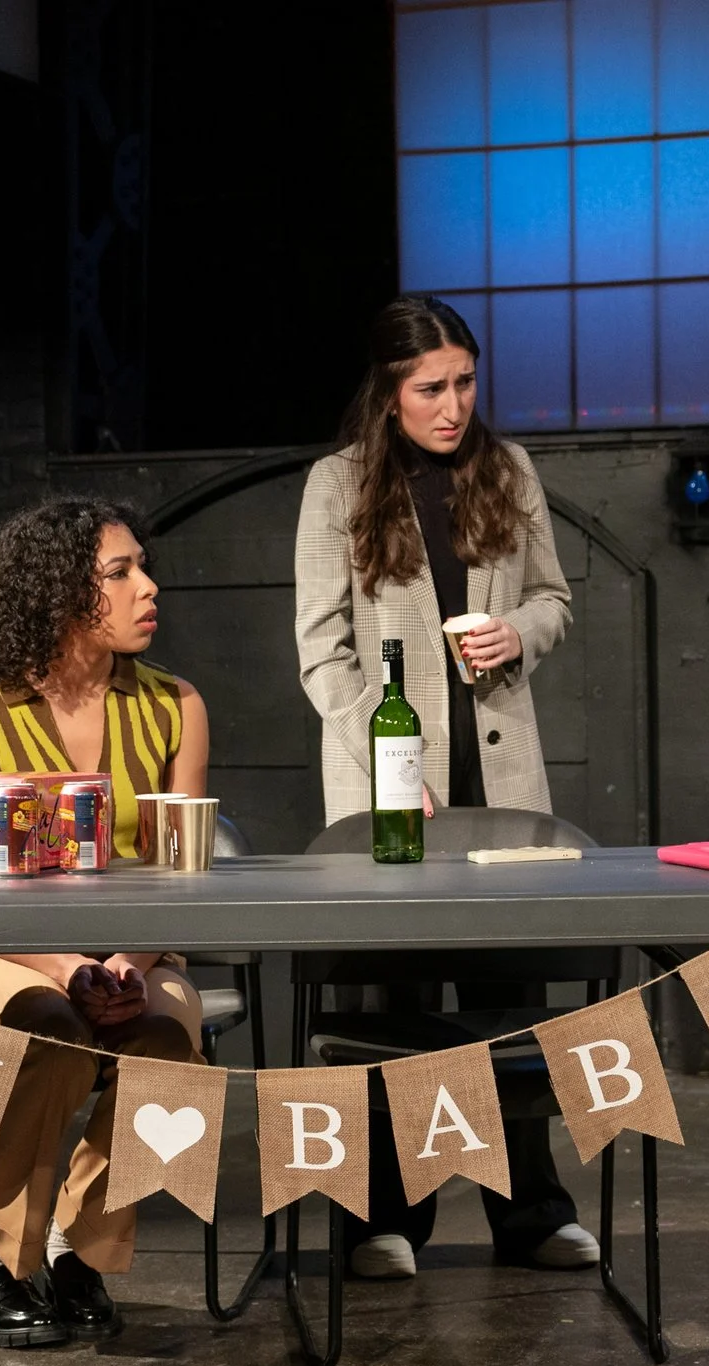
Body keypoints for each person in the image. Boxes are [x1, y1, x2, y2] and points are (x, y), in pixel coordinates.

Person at [292, 293, 602, 1279]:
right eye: (431, 387)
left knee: (508, 999)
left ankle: (531, 1212)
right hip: (391, 788)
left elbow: (554, 595)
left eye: (465, 381)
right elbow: (319, 648)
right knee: (397, 1005)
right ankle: (381, 1218)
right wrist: (388, 759)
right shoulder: (336, 485)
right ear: (388, 394)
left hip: (499, 773)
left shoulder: (507, 470)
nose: (453, 403)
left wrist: (523, 631)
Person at [0, 498, 212, 1347]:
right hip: (6, 948)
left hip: (138, 946)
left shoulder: (175, 705)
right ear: (56, 593)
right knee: (49, 1028)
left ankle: (77, 1245)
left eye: (143, 567)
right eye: (119, 573)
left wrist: (127, 963)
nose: (148, 587)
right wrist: (62, 967)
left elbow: (182, 873)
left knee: (170, 1038)